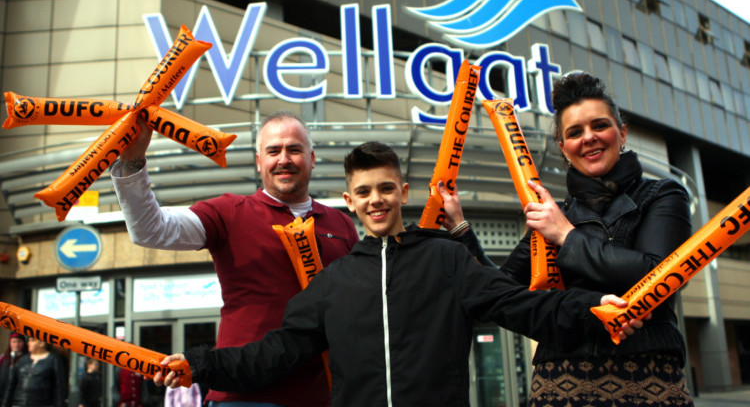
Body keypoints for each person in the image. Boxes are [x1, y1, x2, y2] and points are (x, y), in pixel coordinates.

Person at [153, 141, 638, 406]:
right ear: (349, 202)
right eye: (364, 192)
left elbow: (520, 305)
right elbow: (275, 352)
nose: (376, 200)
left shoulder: (447, 261)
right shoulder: (334, 282)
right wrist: (201, 365)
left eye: (386, 188)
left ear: (404, 192)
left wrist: (592, 308)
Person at [112, 110, 359, 407]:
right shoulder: (229, 212)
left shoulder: (341, 224)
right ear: (258, 162)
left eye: (294, 149)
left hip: (322, 397)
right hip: (241, 396)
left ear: (312, 158)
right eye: (273, 151)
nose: (284, 159)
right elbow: (151, 231)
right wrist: (133, 161)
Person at [497, 73, 694, 406]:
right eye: (575, 132)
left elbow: (660, 273)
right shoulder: (553, 215)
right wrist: (460, 229)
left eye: (599, 125)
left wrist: (566, 236)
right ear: (563, 147)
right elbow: (498, 292)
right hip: (559, 381)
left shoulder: (662, 194)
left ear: (622, 132)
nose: (588, 138)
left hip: (648, 375)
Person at [1, 336, 67, 407]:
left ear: (41, 343)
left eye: (32, 340)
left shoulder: (53, 360)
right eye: (28, 340)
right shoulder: (23, 360)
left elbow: (60, 387)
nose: (29, 343)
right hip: (19, 403)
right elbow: (11, 385)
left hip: (43, 403)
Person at [0, 333, 28, 401]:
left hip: (18, 396)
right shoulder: (3, 358)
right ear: (10, 343)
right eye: (14, 342)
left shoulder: (27, 359)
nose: (16, 345)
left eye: (19, 342)